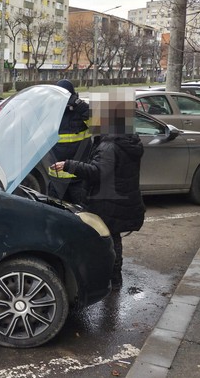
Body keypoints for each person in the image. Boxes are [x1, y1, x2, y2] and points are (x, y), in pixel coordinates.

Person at [50, 90, 144, 287]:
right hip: (119, 197)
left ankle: (108, 280)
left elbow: (97, 171)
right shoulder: (125, 138)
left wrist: (69, 165)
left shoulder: (110, 145)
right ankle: (114, 279)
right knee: (111, 238)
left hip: (109, 200)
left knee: (105, 240)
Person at [46, 79, 91, 205]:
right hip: (56, 178)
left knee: (81, 213)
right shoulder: (51, 113)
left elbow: (101, 126)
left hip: (78, 178)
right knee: (56, 213)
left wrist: (80, 106)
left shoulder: (81, 112)